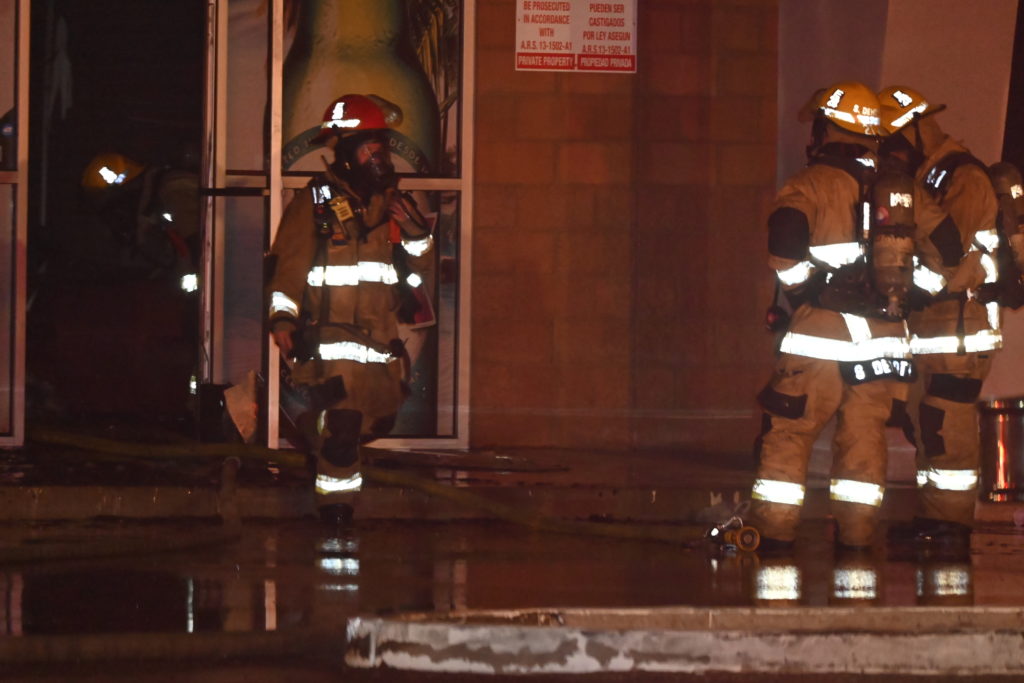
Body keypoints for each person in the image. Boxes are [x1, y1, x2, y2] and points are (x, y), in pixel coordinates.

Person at [749, 81, 916, 551]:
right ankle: (857, 540)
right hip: (884, 340)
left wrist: (806, 291)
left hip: (822, 336)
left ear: (826, 129)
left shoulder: (811, 183)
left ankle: (775, 536)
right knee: (864, 441)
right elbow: (929, 261)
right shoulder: (899, 188)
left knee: (789, 433)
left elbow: (784, 246)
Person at [266, 93, 434, 523]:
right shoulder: (315, 202)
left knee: (372, 422)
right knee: (344, 427)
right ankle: (336, 509)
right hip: (329, 339)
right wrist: (283, 318)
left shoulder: (392, 203)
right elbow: (288, 267)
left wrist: (415, 231)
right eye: (368, 148)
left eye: (381, 148)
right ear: (345, 151)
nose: (378, 158)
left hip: (380, 343)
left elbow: (420, 266)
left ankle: (315, 429)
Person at [877, 85, 1002, 542]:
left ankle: (951, 526)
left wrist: (905, 290)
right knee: (927, 426)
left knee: (947, 426)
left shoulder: (963, 177)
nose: (887, 154)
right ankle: (935, 518)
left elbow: (951, 259)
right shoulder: (927, 178)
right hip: (933, 330)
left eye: (892, 142)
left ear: (916, 132)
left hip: (961, 331)